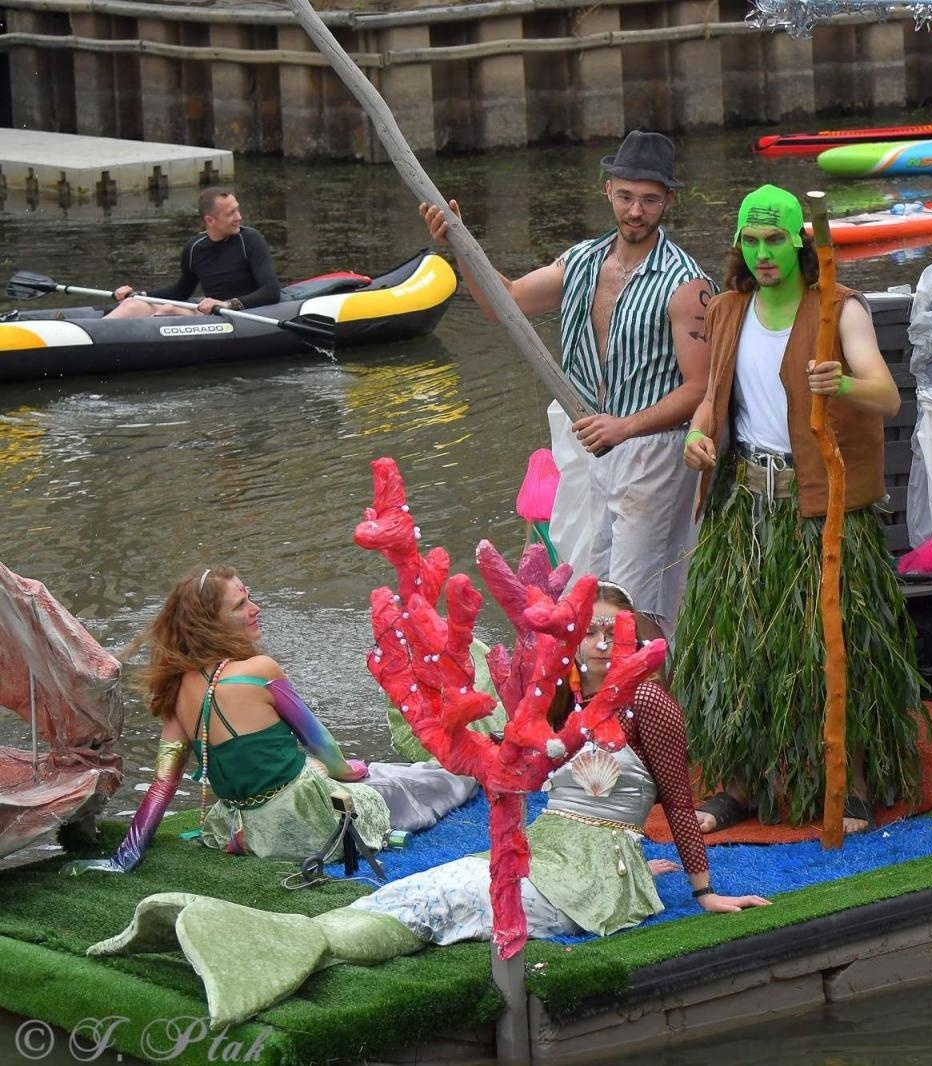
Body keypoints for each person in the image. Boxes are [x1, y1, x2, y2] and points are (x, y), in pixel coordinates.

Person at [87, 584, 769, 1025]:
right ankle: (272, 938)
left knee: (447, 900)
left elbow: (677, 802)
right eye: (587, 630)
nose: (595, 643)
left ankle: (298, 944)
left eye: (611, 633)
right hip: (542, 853)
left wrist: (703, 892)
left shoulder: (647, 699)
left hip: (584, 878)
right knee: (429, 887)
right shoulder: (563, 704)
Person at [679, 185, 928, 835]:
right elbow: (714, 393)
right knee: (741, 654)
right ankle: (742, 782)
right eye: (751, 241)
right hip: (743, 509)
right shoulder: (729, 309)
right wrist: (697, 434)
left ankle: (849, 786)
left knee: (830, 651)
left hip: (821, 511)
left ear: (800, 242)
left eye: (775, 240)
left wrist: (840, 381)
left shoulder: (838, 310)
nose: (763, 253)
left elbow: (886, 397)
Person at [420, 131, 714, 634]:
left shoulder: (687, 285)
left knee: (636, 597)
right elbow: (503, 302)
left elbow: (701, 388)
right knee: (592, 590)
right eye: (625, 197)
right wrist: (460, 244)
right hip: (595, 448)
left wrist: (625, 427)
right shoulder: (581, 261)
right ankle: (602, 700)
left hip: (653, 451)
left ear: (669, 200)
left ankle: (649, 698)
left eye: (648, 199)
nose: (635, 212)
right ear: (607, 191)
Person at [61, 566, 389, 872]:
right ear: (210, 625)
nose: (255, 608)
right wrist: (350, 771)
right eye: (240, 605)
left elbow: (163, 785)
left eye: (249, 597)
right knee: (374, 796)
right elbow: (320, 743)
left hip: (234, 828)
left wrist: (125, 858)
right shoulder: (260, 670)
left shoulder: (176, 691)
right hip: (300, 822)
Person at [105, 187, 280, 319]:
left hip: (243, 313)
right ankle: (92, 336)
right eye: (231, 213)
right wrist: (139, 295)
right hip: (208, 310)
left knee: (169, 310)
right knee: (132, 304)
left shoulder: (250, 239)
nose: (239, 217)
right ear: (210, 220)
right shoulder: (195, 247)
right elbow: (181, 291)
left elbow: (271, 291)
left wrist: (227, 304)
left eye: (237, 209)